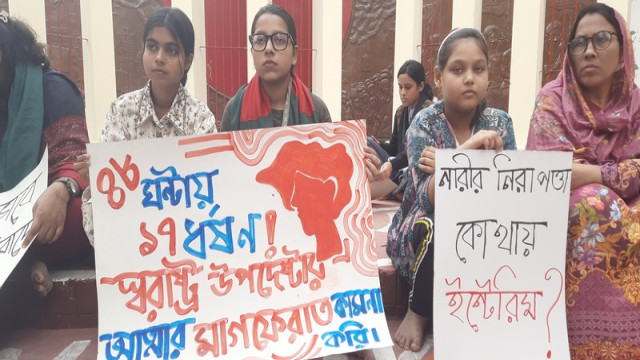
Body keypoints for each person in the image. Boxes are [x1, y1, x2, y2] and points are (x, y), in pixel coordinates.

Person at [387, 28, 516, 352]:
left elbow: (512, 190)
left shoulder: (500, 123)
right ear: (439, 76)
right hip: (422, 226)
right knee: (440, 223)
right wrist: (470, 151)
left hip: (483, 223)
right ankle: (419, 311)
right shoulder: (425, 125)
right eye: (458, 70)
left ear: (488, 74)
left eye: (478, 69)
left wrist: (449, 165)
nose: (469, 78)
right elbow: (426, 196)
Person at [526, 4, 640, 357]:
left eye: (601, 39)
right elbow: (551, 173)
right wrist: (622, 175)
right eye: (579, 43)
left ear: (623, 47)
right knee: (594, 203)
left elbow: (575, 171)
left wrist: (595, 172)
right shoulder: (553, 101)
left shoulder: (637, 105)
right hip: (570, 223)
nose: (589, 51)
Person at [76, 7, 216, 244]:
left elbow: (206, 198)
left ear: (188, 60)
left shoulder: (201, 119)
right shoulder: (121, 112)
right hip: (131, 246)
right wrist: (97, 178)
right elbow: (111, 200)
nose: (159, 57)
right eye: (152, 47)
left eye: (171, 50)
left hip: (187, 245)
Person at [0, 12, 90, 297]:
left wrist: (62, 189)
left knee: (83, 215)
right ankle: (28, 264)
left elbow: (79, 163)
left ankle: (26, 263)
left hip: (51, 212)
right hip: (9, 224)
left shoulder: (52, 88)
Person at [220, 4, 331, 131]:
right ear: (252, 52)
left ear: (294, 54)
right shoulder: (234, 110)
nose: (268, 49)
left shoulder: (317, 110)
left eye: (279, 40)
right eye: (260, 40)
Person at [368, 59, 434, 199]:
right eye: (400, 87)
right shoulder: (400, 112)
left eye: (408, 87)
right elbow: (394, 147)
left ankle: (396, 190)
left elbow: (416, 151)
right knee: (367, 143)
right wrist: (379, 145)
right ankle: (395, 189)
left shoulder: (429, 111)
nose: (402, 92)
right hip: (398, 168)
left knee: (413, 170)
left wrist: (391, 164)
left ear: (420, 86)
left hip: (415, 166)